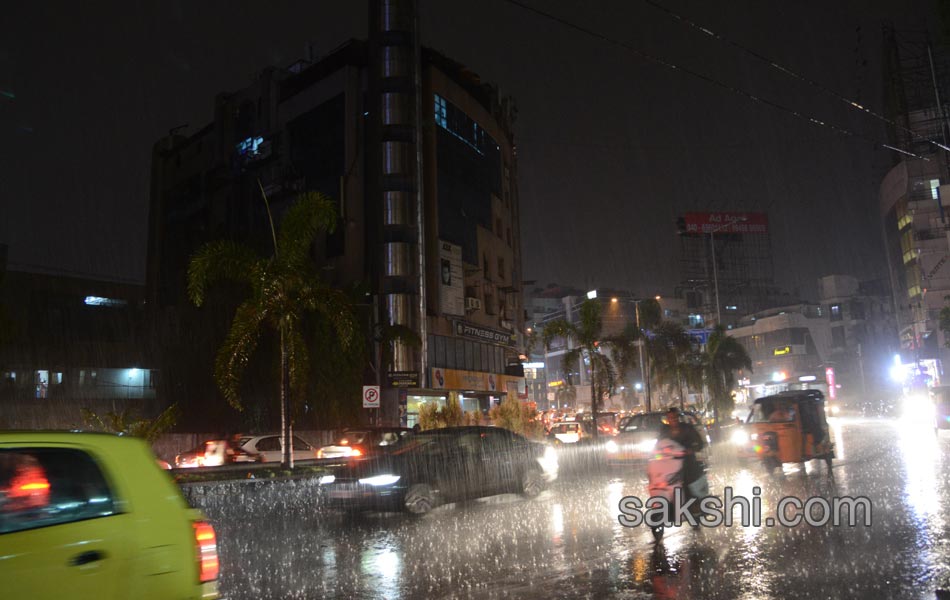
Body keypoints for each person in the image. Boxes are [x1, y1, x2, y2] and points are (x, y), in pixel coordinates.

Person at [657, 408, 706, 495]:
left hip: (688, 464)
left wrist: (691, 450)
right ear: (667, 419)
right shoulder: (664, 432)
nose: (673, 420)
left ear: (678, 417)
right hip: (670, 466)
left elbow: (700, 444)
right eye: (670, 418)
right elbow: (658, 448)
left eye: (675, 417)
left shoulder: (688, 429)